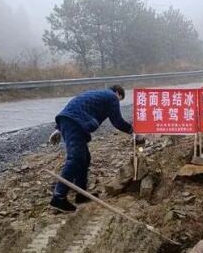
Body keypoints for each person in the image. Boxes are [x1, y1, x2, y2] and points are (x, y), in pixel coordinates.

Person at [48, 84, 139, 212]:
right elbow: (117, 121)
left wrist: (59, 128)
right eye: (120, 100)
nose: (118, 102)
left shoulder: (96, 93)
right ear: (118, 93)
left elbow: (76, 106)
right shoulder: (112, 97)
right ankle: (58, 198)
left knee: (84, 158)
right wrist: (133, 130)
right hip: (75, 123)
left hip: (69, 121)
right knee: (75, 158)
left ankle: (82, 194)